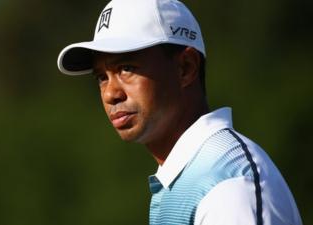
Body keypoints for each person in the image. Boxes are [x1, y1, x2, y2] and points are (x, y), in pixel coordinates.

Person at [57, 0, 303, 224]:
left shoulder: (230, 186)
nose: (111, 93)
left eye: (127, 68)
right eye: (102, 77)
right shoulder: (186, 178)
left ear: (186, 68)